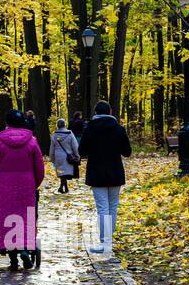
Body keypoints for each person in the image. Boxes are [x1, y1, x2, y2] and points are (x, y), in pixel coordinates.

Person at [0, 109, 45, 270]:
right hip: (27, 184)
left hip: (4, 184)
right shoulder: (32, 141)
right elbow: (39, 169)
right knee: (26, 216)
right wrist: (35, 184)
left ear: (7, 123)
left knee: (7, 216)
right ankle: (25, 249)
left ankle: (12, 258)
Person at [78, 100, 132, 256]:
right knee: (113, 207)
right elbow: (127, 152)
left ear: (96, 112)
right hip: (115, 172)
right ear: (110, 111)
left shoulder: (90, 129)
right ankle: (108, 242)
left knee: (103, 208)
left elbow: (82, 151)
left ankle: (105, 243)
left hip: (96, 173)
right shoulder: (119, 129)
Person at [48, 118, 80, 194]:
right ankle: (63, 187)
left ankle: (64, 187)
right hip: (68, 156)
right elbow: (75, 146)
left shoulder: (54, 135)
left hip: (58, 156)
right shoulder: (70, 134)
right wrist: (77, 155)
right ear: (65, 125)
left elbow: (52, 148)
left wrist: (52, 158)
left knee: (62, 173)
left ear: (57, 126)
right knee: (65, 173)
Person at [69, 112, 86, 177]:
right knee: (77, 148)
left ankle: (72, 157)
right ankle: (78, 158)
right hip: (79, 136)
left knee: (73, 148)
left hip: (72, 136)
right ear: (79, 116)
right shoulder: (80, 121)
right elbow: (82, 129)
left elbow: (69, 128)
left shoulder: (71, 121)